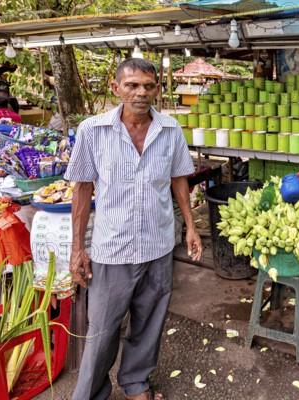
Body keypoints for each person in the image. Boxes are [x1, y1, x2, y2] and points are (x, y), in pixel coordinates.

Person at [65, 58, 203, 400]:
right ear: (116, 89)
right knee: (102, 330)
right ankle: (90, 393)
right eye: (132, 85)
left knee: (148, 323)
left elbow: (179, 179)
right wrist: (77, 248)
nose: (141, 93)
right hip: (113, 249)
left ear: (157, 89)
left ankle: (136, 383)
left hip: (158, 244)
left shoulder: (169, 130)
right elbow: (82, 189)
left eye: (148, 85)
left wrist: (190, 226)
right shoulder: (92, 131)